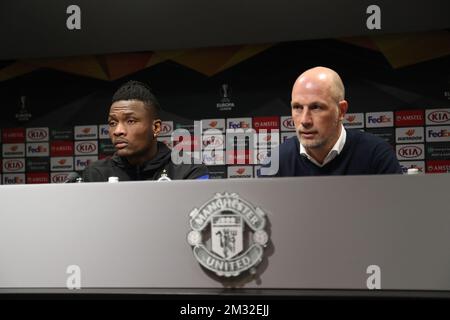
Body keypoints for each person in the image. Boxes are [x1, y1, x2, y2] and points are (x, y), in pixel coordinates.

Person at [273, 66, 402, 176]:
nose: (305, 120)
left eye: (316, 107)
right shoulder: (276, 161)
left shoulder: (376, 155)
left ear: (341, 111)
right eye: (297, 107)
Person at [82, 80, 209, 182]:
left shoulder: (189, 171)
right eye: (112, 123)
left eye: (130, 121)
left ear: (156, 128)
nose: (118, 131)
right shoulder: (96, 174)